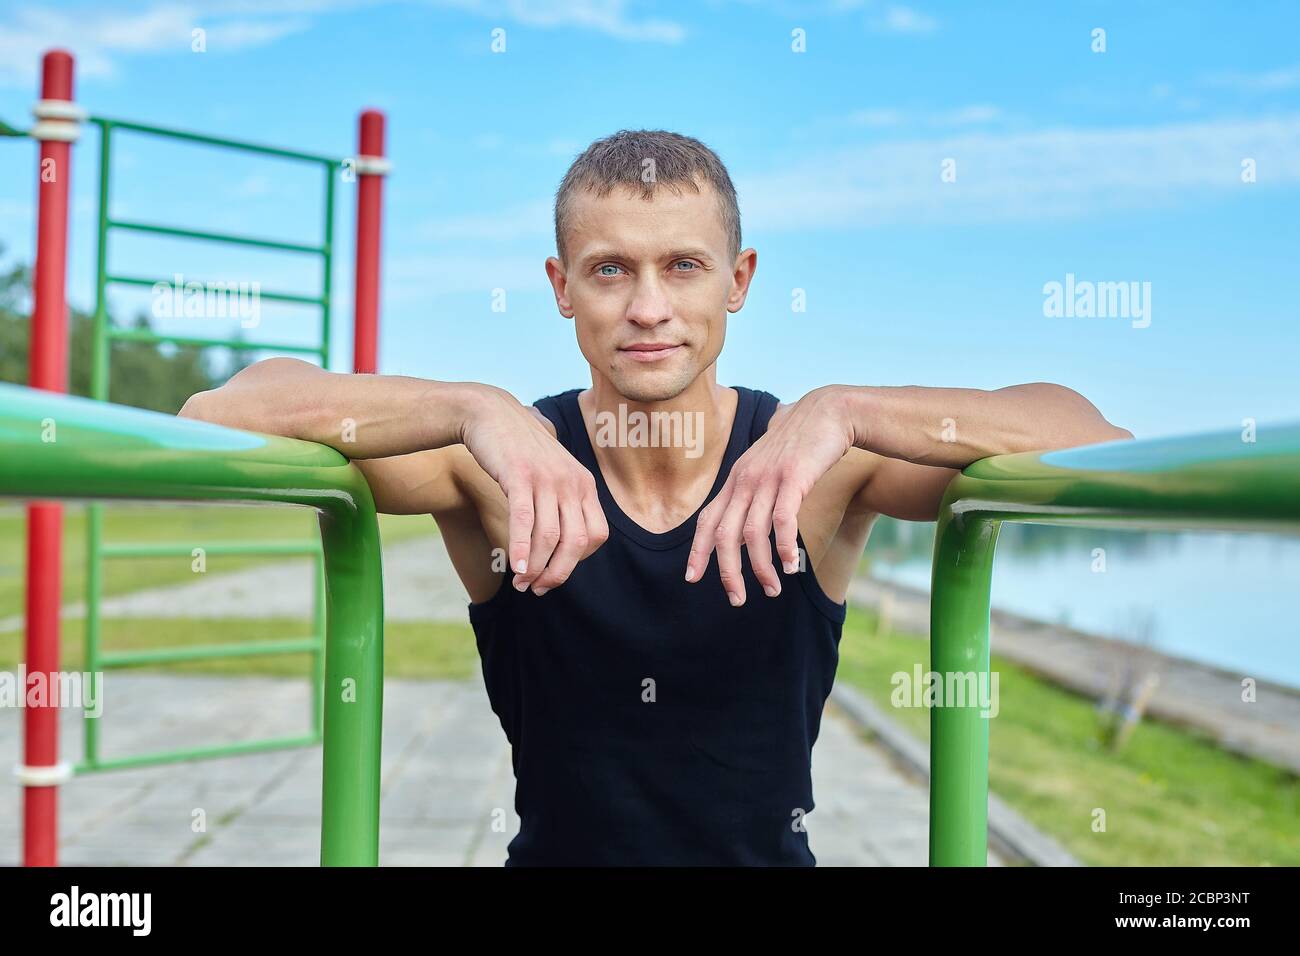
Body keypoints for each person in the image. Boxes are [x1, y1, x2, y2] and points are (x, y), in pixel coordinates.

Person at [180, 129, 1132, 866]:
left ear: (739, 281)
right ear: (560, 287)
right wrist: (476, 408)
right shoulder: (487, 465)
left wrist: (843, 410)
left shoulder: (822, 464)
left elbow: (1091, 435)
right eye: (609, 270)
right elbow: (221, 411)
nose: (647, 307)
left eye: (682, 265)